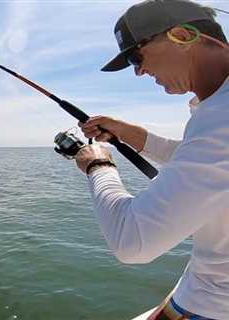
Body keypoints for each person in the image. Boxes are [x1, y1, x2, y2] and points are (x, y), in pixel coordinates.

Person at [71, 0, 229, 319]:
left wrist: (98, 165)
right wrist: (132, 134)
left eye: (135, 56)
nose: (139, 71)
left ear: (183, 36)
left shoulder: (220, 119)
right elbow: (206, 162)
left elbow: (133, 241)